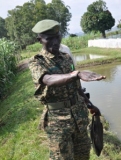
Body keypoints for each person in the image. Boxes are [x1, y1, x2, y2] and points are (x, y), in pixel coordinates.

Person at [28, 19, 106, 160]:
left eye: (57, 37)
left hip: (79, 117)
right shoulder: (37, 62)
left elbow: (77, 88)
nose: (55, 42)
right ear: (39, 39)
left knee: (83, 155)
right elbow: (48, 80)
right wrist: (76, 74)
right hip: (58, 122)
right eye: (49, 39)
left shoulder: (66, 58)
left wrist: (90, 105)